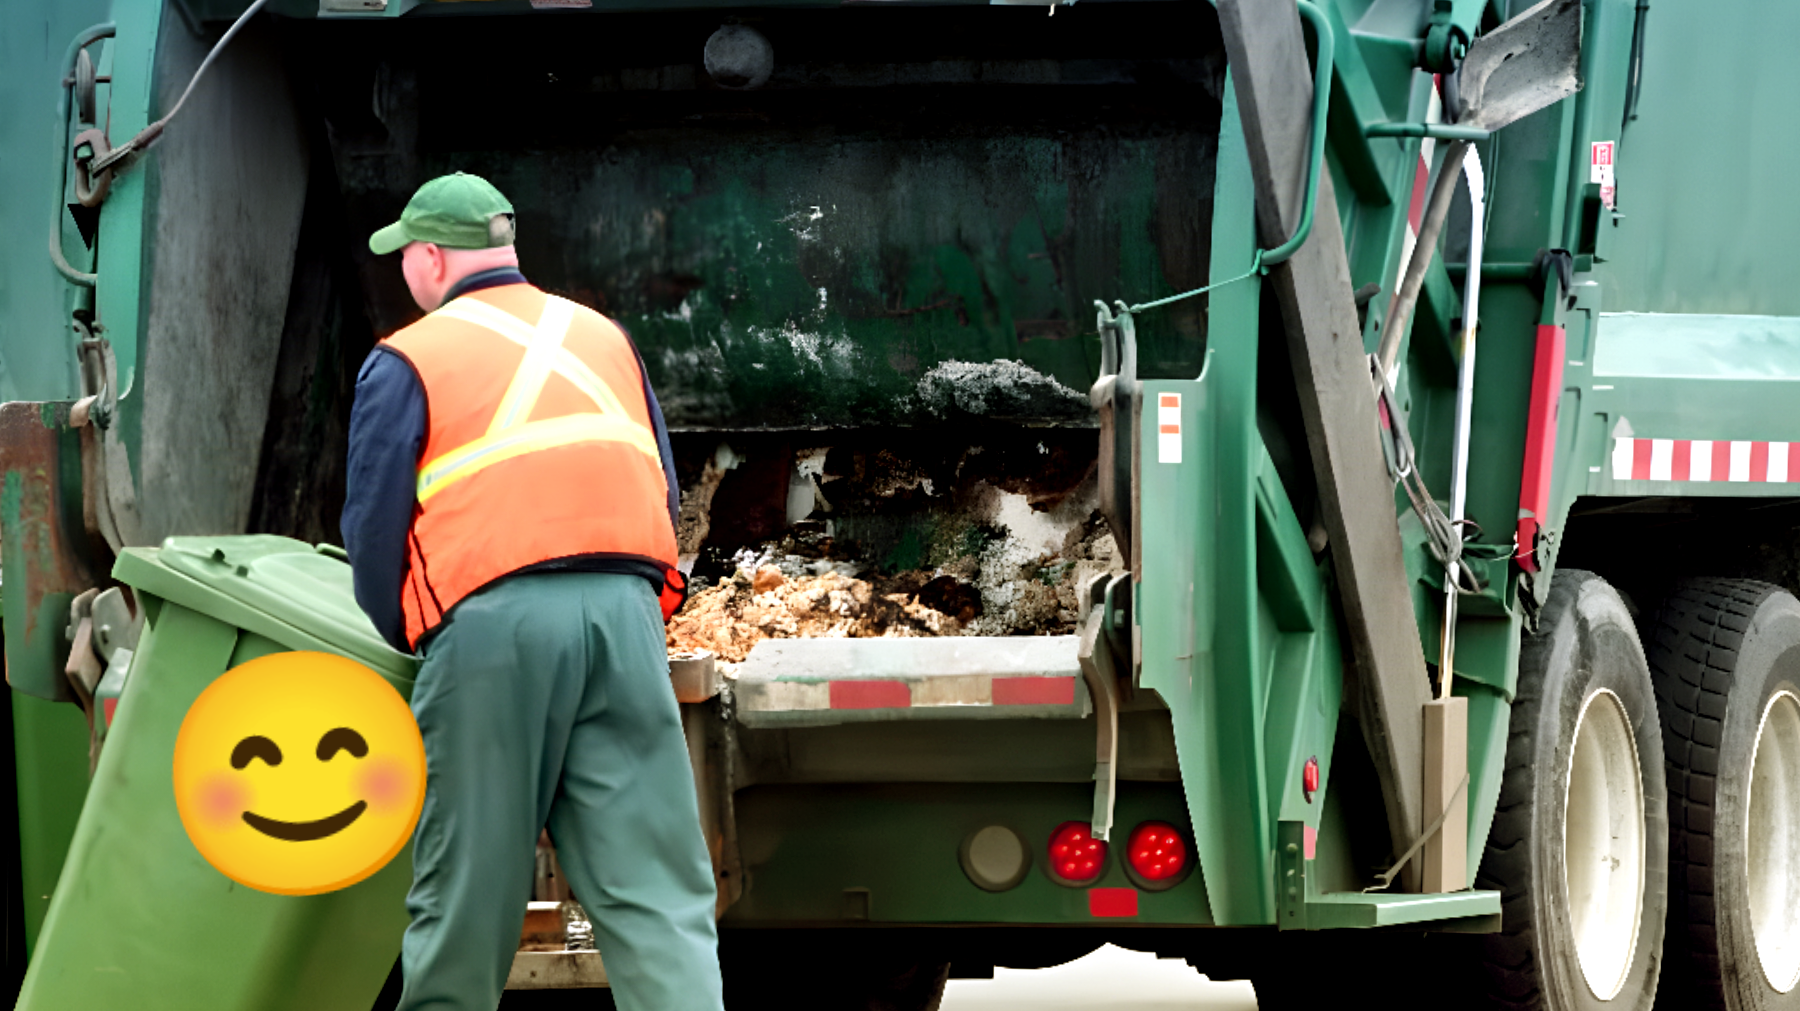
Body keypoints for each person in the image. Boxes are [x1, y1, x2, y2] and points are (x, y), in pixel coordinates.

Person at [341, 171, 724, 1011]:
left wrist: (411, 633)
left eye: (404, 256)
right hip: (625, 620)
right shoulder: (602, 336)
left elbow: (373, 530)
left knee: (467, 895)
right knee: (657, 891)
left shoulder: (409, 355)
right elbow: (661, 486)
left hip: (493, 630)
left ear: (430, 258)